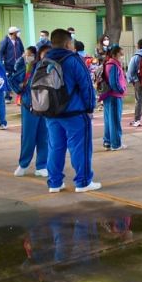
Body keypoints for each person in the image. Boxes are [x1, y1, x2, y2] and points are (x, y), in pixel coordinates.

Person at [42, 29, 99, 193]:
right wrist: (89, 108)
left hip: (51, 112)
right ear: (68, 43)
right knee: (80, 147)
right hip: (74, 112)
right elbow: (86, 85)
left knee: (55, 147)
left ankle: (54, 183)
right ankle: (83, 182)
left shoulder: (45, 60)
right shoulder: (74, 60)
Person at [9, 46, 47, 177]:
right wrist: (21, 90)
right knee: (28, 136)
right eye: (26, 54)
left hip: (45, 107)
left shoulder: (49, 68)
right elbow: (13, 80)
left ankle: (42, 165)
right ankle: (23, 164)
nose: (27, 56)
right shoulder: (27, 68)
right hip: (29, 107)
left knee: (44, 137)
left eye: (29, 54)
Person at [100, 45, 127, 151]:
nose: (123, 56)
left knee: (108, 120)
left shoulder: (108, 63)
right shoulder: (114, 65)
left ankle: (107, 142)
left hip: (108, 96)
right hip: (114, 96)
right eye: (121, 54)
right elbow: (114, 83)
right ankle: (116, 144)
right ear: (115, 54)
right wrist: (121, 90)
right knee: (115, 121)